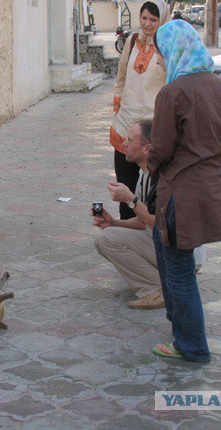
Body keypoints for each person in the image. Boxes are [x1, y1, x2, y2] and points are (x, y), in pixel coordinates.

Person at [147, 20, 221, 362]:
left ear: (173, 51)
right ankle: (180, 325)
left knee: (180, 270)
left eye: (161, 53)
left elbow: (161, 148)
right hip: (213, 187)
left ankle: (192, 345)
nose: (160, 60)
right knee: (166, 250)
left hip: (181, 192)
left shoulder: (172, 93)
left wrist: (149, 163)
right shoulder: (220, 86)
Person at [93, 120, 164, 309]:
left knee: (108, 239)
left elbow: (160, 224)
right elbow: (143, 223)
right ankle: (159, 283)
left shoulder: (163, 177)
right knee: (105, 237)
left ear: (146, 149)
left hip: (178, 251)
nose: (123, 144)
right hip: (161, 242)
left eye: (130, 140)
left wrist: (131, 200)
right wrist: (114, 222)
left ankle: (157, 288)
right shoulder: (144, 176)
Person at [111, 0, 170, 220]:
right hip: (126, 122)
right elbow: (121, 78)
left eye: (153, 19)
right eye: (143, 18)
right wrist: (118, 107)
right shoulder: (133, 40)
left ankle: (151, 231)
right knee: (125, 184)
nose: (147, 24)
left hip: (152, 126)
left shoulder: (167, 45)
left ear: (162, 20)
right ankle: (126, 231)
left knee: (154, 186)